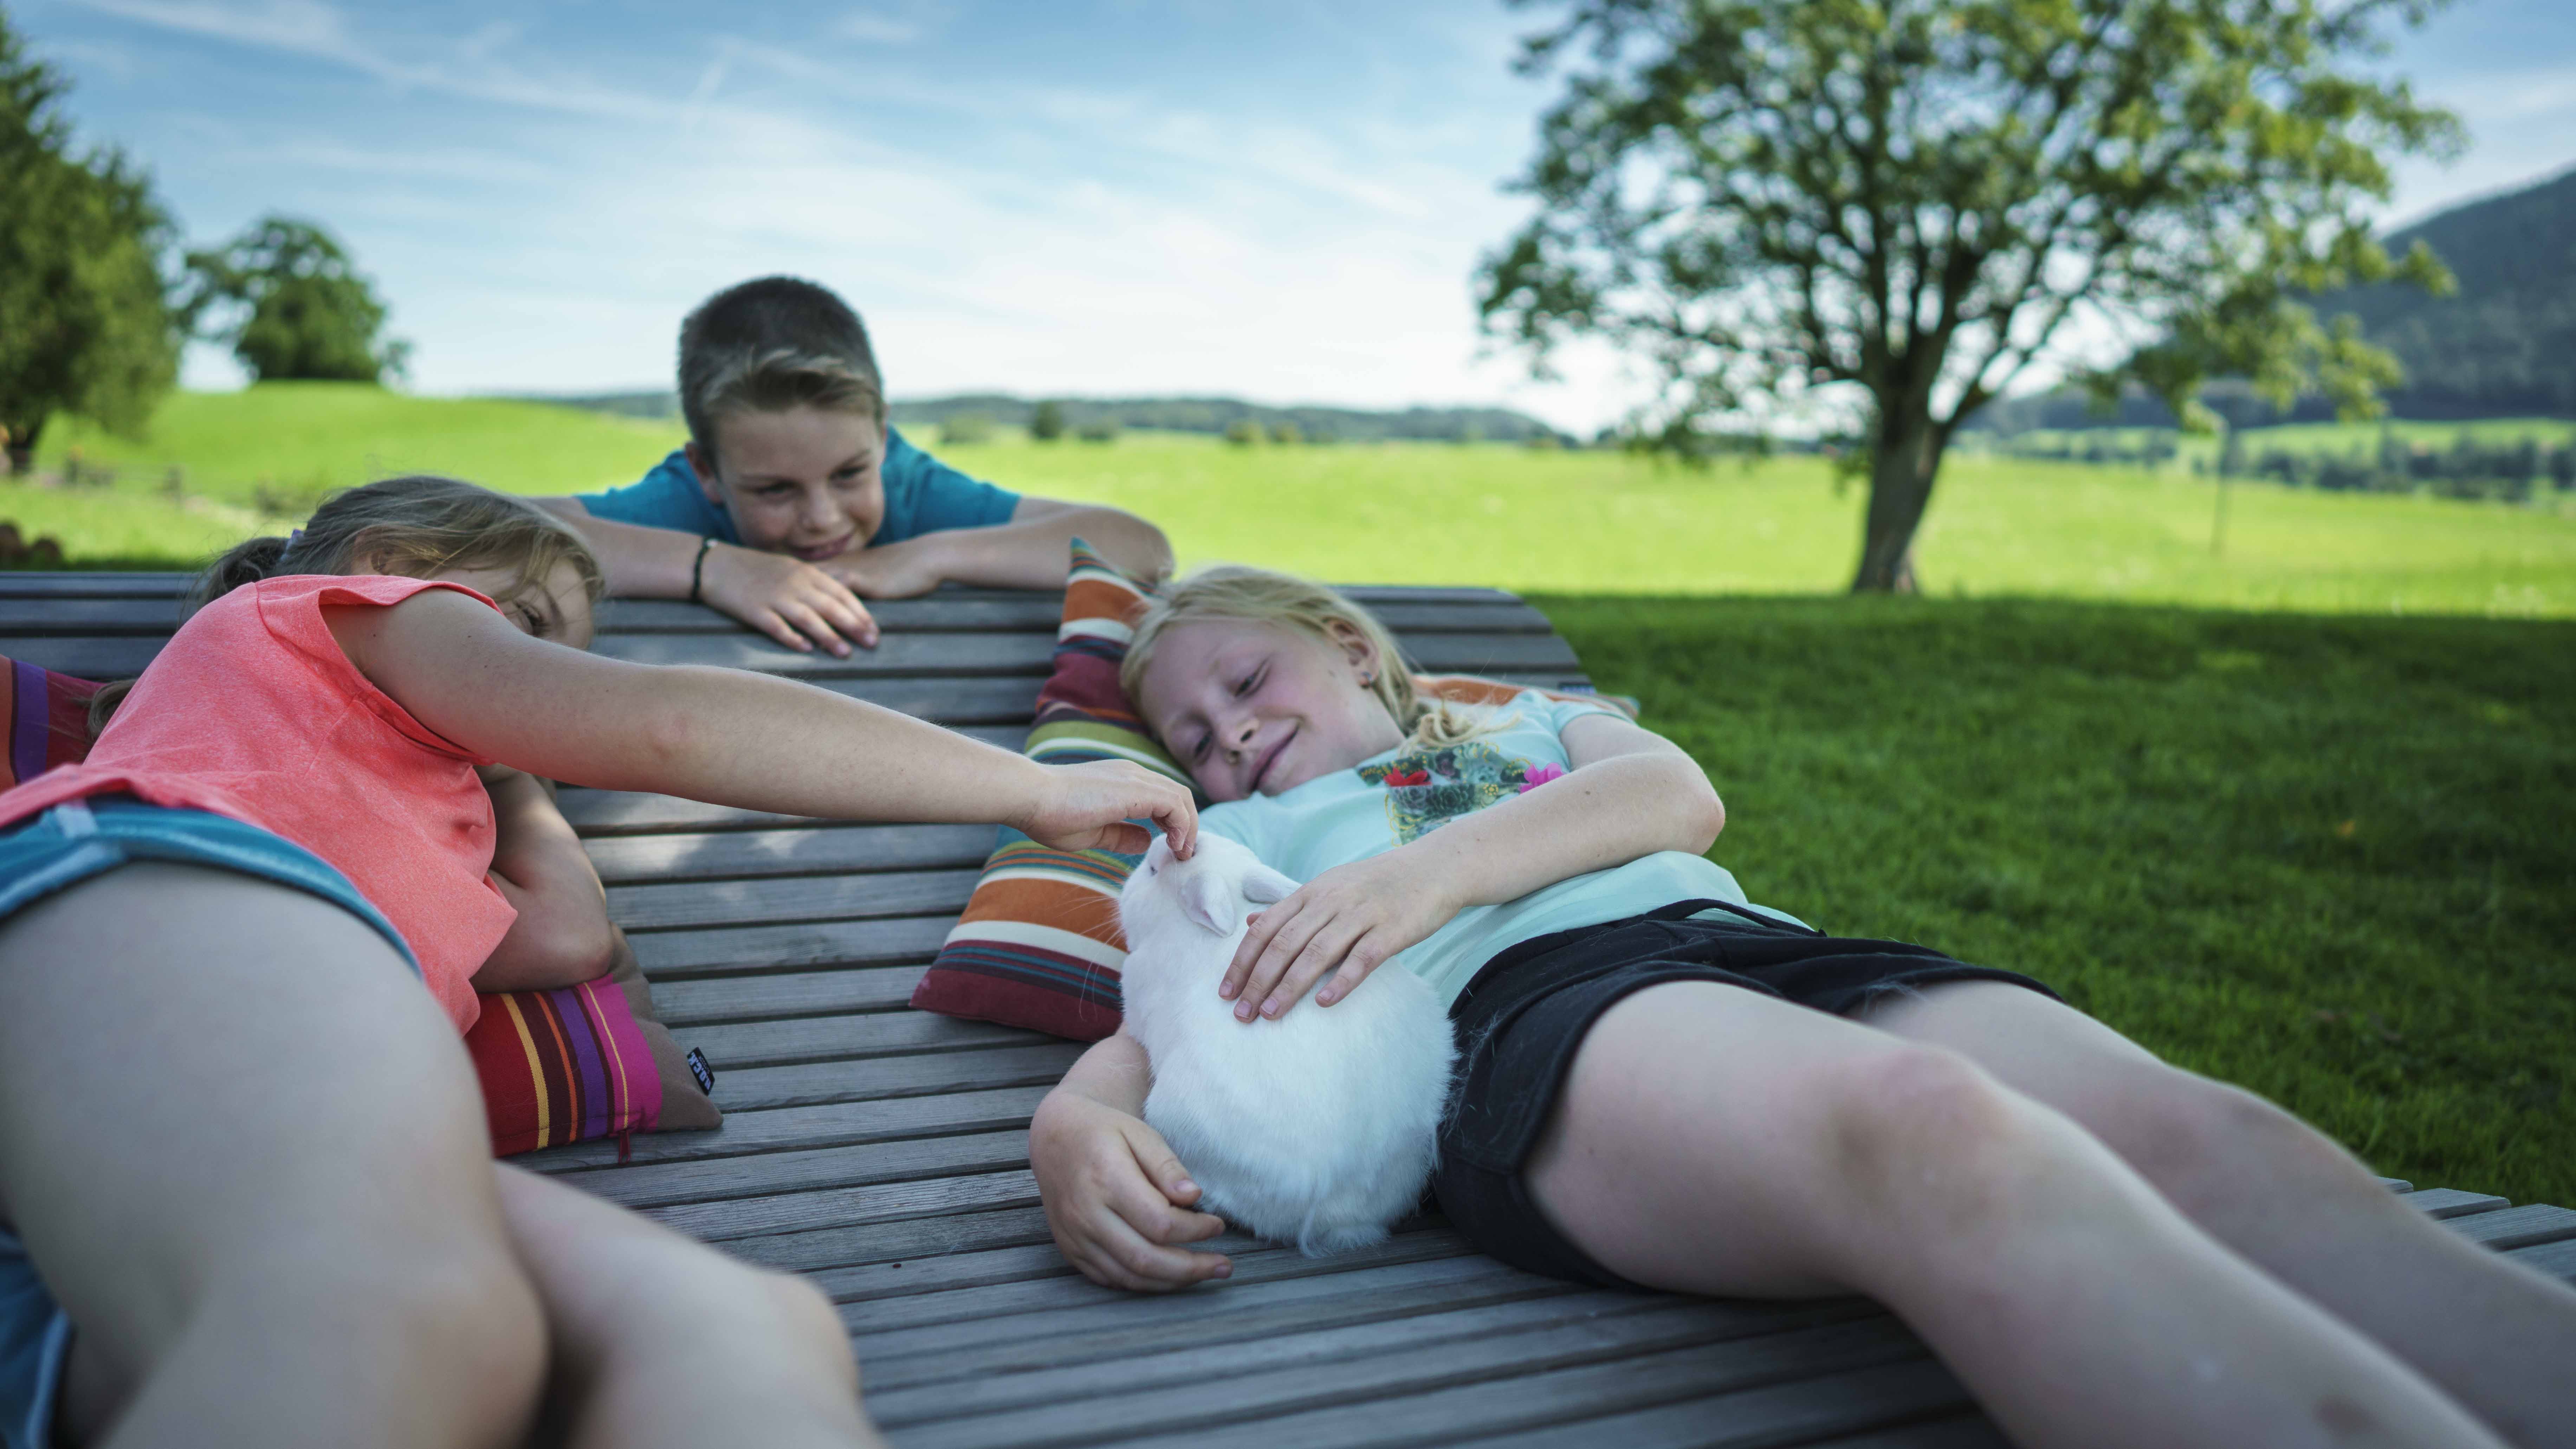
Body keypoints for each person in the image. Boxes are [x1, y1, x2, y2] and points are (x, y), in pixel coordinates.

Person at [1028, 565, 2576, 1449]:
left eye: (1244, 681)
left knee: (2203, 1128)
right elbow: (1160, 1018)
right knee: (1936, 1134)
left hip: (1762, 948)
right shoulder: (1240, 845)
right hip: (1540, 1028)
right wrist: (1073, 1118)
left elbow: (1674, 795)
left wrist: (1421, 871)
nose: (1228, 736)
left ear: (1347, 644)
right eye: (1195, 734)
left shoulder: (1519, 733)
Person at [0, 476, 1196, 1449]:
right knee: (403, 1326)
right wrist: (1033, 787)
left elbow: (571, 937)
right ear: (386, 552)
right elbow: (667, 723)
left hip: (242, 1051)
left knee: (735, 1325)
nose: (536, 684)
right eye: (525, 632)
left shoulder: (419, 811)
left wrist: (512, 773)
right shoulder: (327, 614)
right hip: (149, 875)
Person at [535, 276, 1171, 658]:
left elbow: (1139, 546)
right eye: (775, 490)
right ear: (707, 471)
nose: (823, 518)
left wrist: (931, 555)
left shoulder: (911, 489)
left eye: (848, 474)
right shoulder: (687, 504)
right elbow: (452, 529)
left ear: (882, 435)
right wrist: (712, 566)